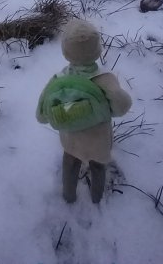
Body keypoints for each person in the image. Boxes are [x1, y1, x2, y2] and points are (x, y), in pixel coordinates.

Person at [36, 19, 132, 203]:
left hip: (71, 138)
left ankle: (69, 195)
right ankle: (97, 197)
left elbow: (41, 113)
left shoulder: (58, 80)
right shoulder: (105, 78)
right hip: (98, 139)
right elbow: (122, 106)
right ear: (98, 50)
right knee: (98, 167)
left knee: (70, 165)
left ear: (65, 52)